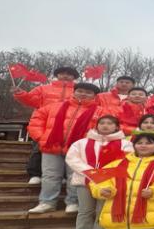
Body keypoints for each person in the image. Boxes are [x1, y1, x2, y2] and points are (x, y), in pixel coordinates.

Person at [26, 82, 105, 214]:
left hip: (79, 150)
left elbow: (106, 129)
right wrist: (42, 137)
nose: (83, 94)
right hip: (51, 147)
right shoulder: (54, 106)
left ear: (94, 96)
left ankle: (72, 202)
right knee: (50, 176)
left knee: (75, 176)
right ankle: (47, 202)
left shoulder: (101, 112)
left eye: (88, 92)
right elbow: (36, 121)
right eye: (80, 91)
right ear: (74, 92)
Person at [65, 115, 131, 229]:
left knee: (102, 212)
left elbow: (127, 161)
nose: (105, 126)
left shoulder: (125, 144)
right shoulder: (81, 143)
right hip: (84, 181)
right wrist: (91, 172)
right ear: (97, 125)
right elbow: (72, 159)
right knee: (85, 211)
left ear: (116, 127)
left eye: (110, 123)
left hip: (109, 183)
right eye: (102, 123)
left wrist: (106, 175)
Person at [13, 66, 80, 185]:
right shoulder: (43, 88)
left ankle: (63, 175)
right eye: (62, 73)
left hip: (68, 125)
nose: (65, 76)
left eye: (69, 74)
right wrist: (20, 94)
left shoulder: (78, 91)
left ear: (74, 77)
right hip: (44, 123)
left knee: (67, 151)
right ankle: (35, 174)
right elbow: (31, 100)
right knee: (38, 149)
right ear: (57, 75)